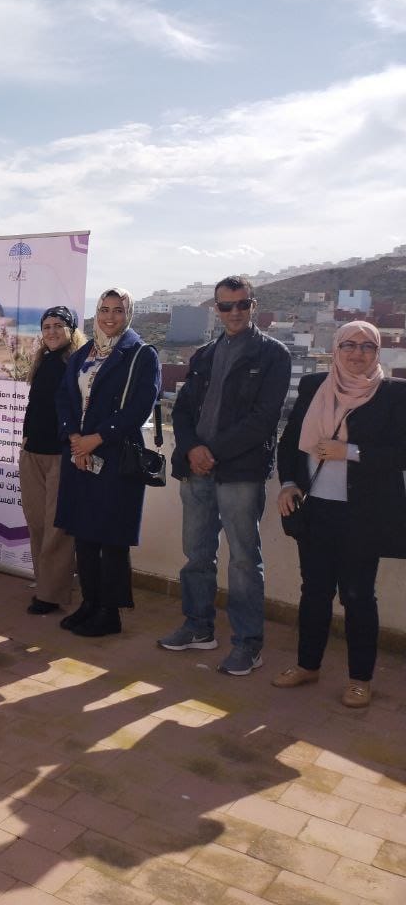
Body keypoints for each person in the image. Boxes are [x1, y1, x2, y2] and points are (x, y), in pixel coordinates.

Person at [158, 277, 291, 675]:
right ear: (216, 309)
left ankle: (248, 644)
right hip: (196, 469)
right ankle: (199, 627)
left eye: (242, 304)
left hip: (240, 472)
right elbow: (183, 410)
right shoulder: (204, 355)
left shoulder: (273, 355)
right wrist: (192, 449)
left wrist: (211, 452)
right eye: (226, 306)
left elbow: (264, 419)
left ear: (253, 305)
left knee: (244, 561)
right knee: (196, 554)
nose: (234, 312)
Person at [272, 321, 406, 708]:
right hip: (316, 508)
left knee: (358, 595)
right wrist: (288, 483)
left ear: (377, 352)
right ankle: (307, 665)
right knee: (314, 591)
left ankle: (360, 679)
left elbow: (401, 453)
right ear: (336, 349)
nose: (357, 353)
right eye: (349, 344)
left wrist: (349, 452)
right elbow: (290, 442)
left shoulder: (394, 393)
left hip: (364, 514)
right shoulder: (314, 386)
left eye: (367, 346)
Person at [54, 288, 159, 637]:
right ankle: (90, 602)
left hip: (114, 456)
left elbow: (139, 407)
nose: (110, 317)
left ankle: (110, 612)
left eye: (118, 310)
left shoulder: (141, 355)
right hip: (79, 456)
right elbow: (65, 398)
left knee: (111, 537)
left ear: (128, 314)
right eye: (104, 309)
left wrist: (95, 439)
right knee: (84, 533)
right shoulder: (83, 354)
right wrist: (75, 439)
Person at [19, 306, 87, 614]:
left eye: (58, 325)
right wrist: (26, 438)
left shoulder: (77, 364)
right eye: (46, 326)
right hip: (33, 453)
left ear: (71, 330)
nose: (51, 331)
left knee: (57, 529)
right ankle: (44, 583)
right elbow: (35, 406)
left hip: (61, 455)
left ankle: (51, 594)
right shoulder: (43, 360)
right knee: (36, 523)